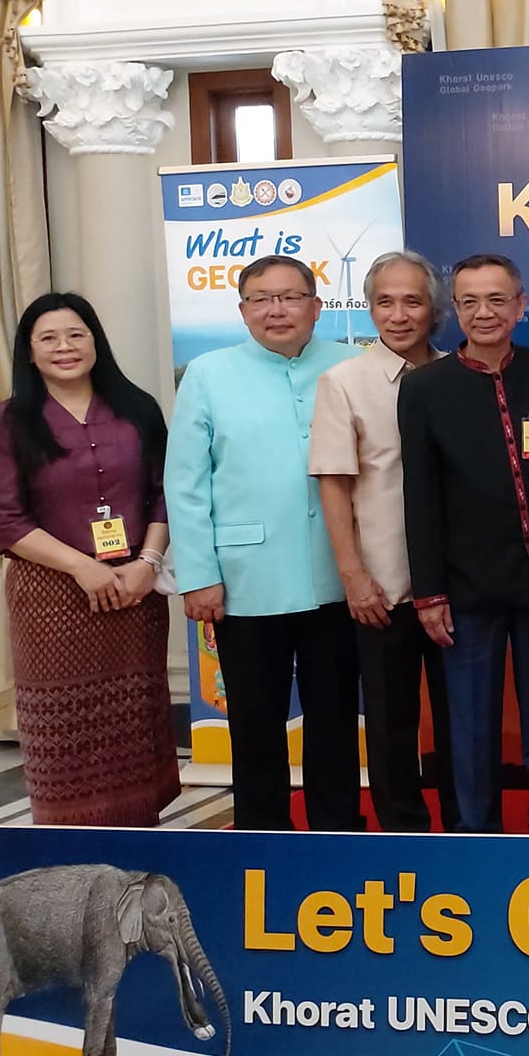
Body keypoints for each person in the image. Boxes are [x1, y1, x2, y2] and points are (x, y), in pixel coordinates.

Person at [165, 255, 363, 831]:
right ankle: (261, 837)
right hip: (243, 582)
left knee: (335, 718)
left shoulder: (354, 365)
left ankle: (338, 833)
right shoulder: (207, 374)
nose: (277, 310)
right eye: (261, 299)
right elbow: (185, 483)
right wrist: (199, 575)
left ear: (317, 306)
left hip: (339, 577)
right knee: (255, 723)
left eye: (291, 296)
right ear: (243, 310)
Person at [0, 293, 179, 825]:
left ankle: (142, 837)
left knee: (133, 720)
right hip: (51, 598)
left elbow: (166, 493)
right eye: (48, 338)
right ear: (29, 351)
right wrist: (82, 567)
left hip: (135, 589)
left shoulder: (137, 409)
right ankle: (70, 844)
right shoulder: (7, 422)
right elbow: (2, 519)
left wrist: (148, 563)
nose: (64, 347)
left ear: (95, 342)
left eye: (76, 335)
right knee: (63, 727)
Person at [400, 253, 529, 835]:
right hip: (465, 586)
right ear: (454, 309)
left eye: (497, 299)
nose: (484, 312)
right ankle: (477, 834)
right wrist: (429, 592)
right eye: (469, 301)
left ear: (521, 305)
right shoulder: (425, 387)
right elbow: (420, 497)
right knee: (471, 724)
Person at [309, 251, 458, 832]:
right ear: (369, 309)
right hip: (383, 585)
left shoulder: (459, 373)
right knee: (392, 722)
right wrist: (354, 576)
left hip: (455, 582)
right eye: (384, 302)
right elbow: (334, 484)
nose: (398, 315)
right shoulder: (343, 382)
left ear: (434, 309)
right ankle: (402, 834)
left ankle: (466, 829)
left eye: (412, 302)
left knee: (461, 720)